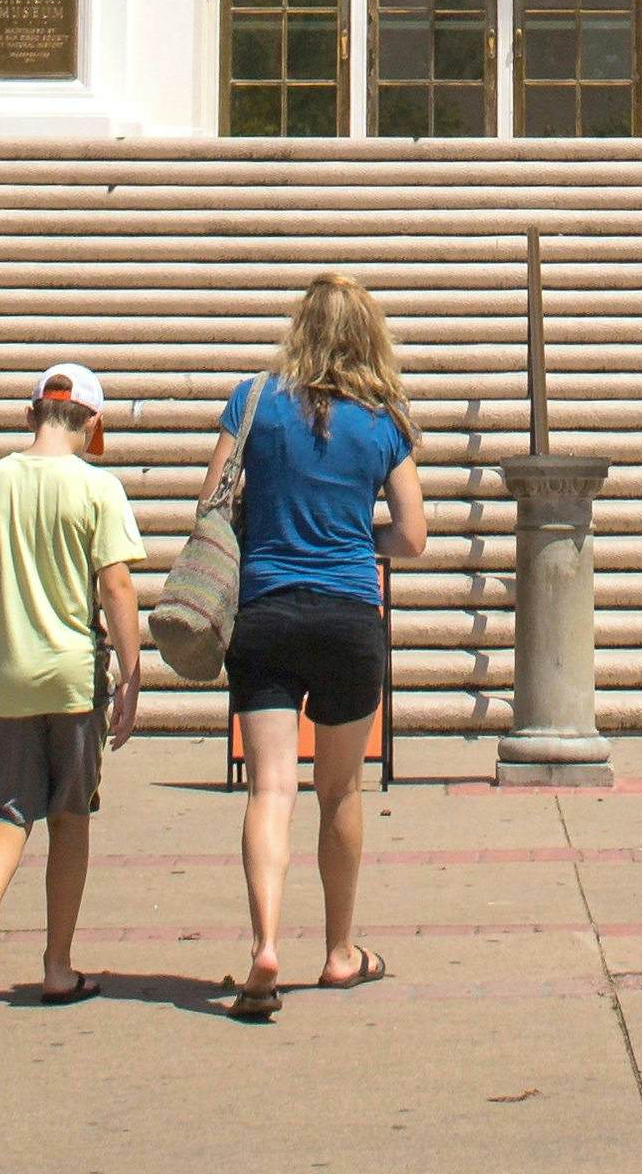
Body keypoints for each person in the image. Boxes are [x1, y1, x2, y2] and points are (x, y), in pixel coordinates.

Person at [211, 273, 427, 1019]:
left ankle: (265, 944)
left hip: (264, 611)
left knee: (271, 788)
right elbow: (414, 537)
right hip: (347, 615)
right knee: (339, 790)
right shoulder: (384, 422)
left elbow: (210, 501)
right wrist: (350, 533)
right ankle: (339, 952)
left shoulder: (253, 402)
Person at [0, 360, 143, 1013]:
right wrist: (132, 675)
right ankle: (57, 966)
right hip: (73, 677)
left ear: (32, 414)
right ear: (92, 423)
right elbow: (115, 585)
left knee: (6, 812)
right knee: (70, 815)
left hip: (8, 674)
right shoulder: (97, 488)